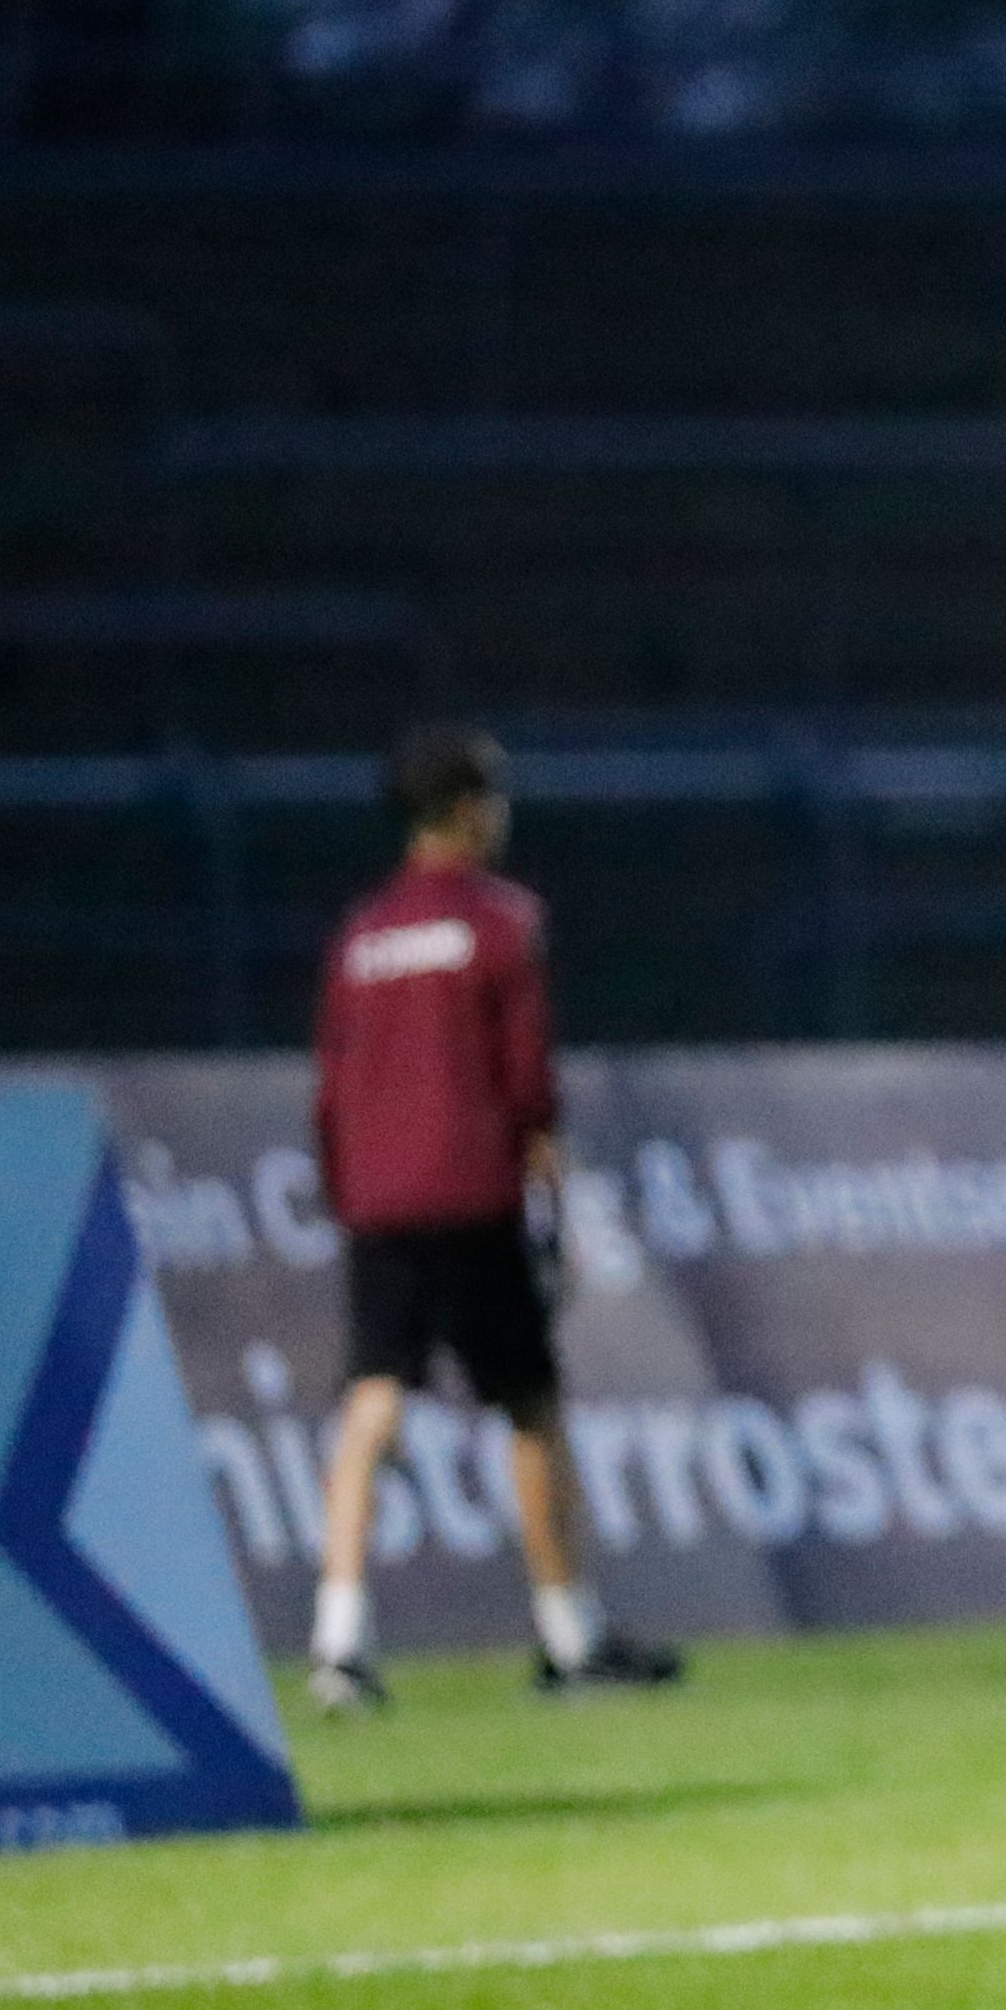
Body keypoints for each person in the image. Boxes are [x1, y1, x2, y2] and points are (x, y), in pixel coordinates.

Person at [304, 724, 676, 1709]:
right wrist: (554, 1201)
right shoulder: (502, 920)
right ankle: (571, 1636)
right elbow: (526, 1082)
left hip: (380, 1200)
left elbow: (333, 1085)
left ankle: (339, 1638)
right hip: (472, 1192)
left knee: (372, 1400)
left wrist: (349, 1190)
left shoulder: (363, 934)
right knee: (530, 1407)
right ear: (468, 805)